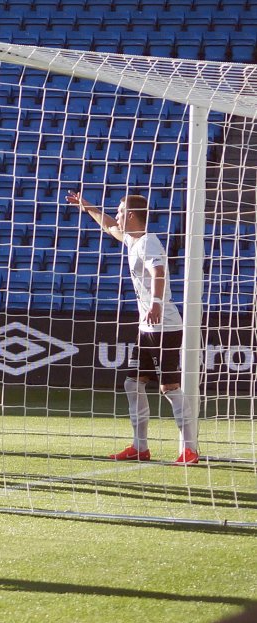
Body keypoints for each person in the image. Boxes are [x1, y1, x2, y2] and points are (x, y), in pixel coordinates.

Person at [66, 191, 199, 464]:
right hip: (146, 327)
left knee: (169, 387)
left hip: (164, 326)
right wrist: (86, 206)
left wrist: (156, 304)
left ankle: (189, 450)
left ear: (131, 215)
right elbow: (108, 226)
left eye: (120, 211)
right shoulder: (132, 240)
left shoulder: (149, 242)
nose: (116, 215)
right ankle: (140, 447)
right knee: (133, 383)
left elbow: (158, 272)